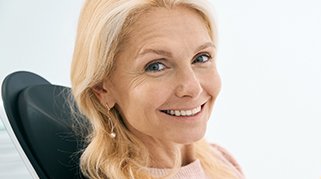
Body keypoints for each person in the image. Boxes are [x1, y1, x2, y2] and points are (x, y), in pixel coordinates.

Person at [70, 0, 244, 178]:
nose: (193, 88)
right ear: (102, 89)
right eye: (156, 66)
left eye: (201, 58)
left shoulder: (222, 161)